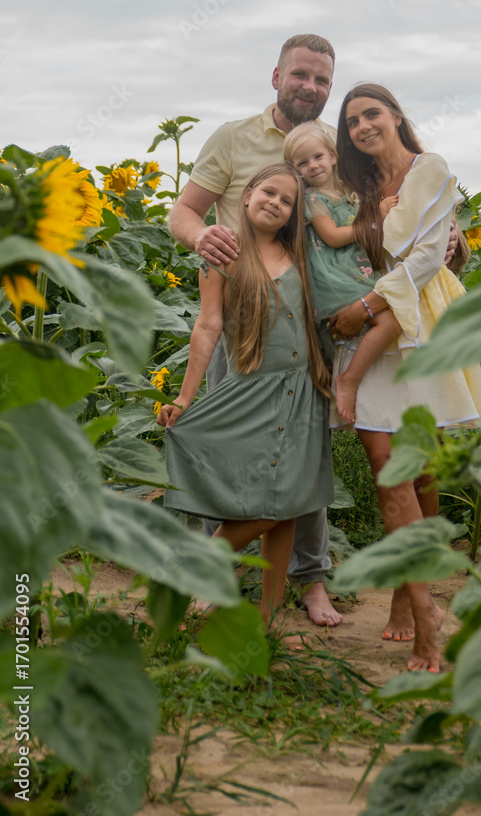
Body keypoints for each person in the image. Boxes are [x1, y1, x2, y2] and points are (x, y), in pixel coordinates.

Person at [168, 34, 343, 626]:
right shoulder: (234, 138)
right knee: (232, 456)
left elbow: (375, 210)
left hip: (305, 324)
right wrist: (202, 239)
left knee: (301, 464)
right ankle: (213, 572)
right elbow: (184, 209)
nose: (311, 87)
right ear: (276, 76)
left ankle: (310, 579)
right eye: (301, 75)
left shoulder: (332, 149)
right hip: (241, 319)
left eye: (322, 79)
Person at [329, 83, 481, 672]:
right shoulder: (358, 190)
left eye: (372, 114)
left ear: (396, 116)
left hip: (421, 321)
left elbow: (424, 260)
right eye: (352, 121)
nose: (363, 126)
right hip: (378, 328)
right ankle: (428, 622)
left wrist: (369, 305)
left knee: (421, 470)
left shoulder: (430, 170)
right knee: (388, 474)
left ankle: (405, 594)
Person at [283, 121, 403, 425]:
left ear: (333, 156)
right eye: (302, 163)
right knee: (389, 322)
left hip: (356, 271)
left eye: (318, 157)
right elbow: (334, 237)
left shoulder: (352, 192)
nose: (312, 166)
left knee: (390, 318)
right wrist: (376, 217)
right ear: (295, 170)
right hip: (334, 278)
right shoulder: (312, 199)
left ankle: (363, 384)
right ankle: (348, 380)